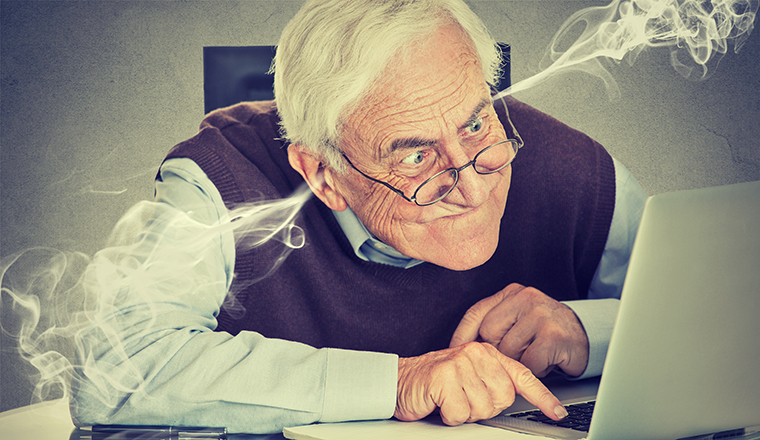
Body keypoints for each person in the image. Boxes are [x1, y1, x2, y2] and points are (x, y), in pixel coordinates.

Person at [70, 0, 646, 434]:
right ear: (323, 174)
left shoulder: (573, 168)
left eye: (474, 124)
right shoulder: (222, 182)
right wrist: (397, 382)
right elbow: (116, 368)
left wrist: (588, 329)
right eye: (416, 155)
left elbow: (725, 319)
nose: (471, 185)